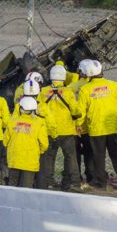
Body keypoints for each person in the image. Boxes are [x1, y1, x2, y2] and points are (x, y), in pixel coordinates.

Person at [77, 60, 117, 190]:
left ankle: (102, 182)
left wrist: (78, 125)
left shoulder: (85, 89)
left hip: (96, 129)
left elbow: (81, 111)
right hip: (112, 127)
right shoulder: (113, 85)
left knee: (98, 157)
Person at [35, 64, 82, 192]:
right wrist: (78, 121)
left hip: (49, 130)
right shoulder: (68, 92)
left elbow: (38, 109)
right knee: (70, 156)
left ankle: (48, 181)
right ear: (63, 77)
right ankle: (73, 182)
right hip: (66, 130)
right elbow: (76, 110)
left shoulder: (43, 92)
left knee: (49, 157)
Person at [4, 97, 49, 188]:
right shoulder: (39, 124)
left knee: (12, 187)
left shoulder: (12, 122)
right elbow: (44, 144)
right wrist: (39, 151)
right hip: (30, 161)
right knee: (26, 189)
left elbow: (5, 141)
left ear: (20, 109)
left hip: (14, 160)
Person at [71, 59, 96, 188]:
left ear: (79, 72)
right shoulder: (92, 88)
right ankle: (91, 176)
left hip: (75, 127)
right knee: (89, 153)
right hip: (89, 127)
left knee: (75, 154)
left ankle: (76, 177)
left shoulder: (71, 88)